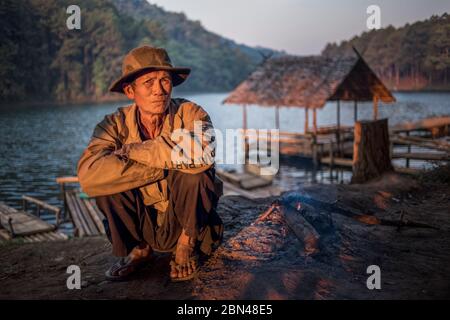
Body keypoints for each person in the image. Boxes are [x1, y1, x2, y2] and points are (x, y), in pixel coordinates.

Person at [77, 45, 223, 282]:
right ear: (129, 91)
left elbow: (204, 152)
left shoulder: (191, 113)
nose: (159, 90)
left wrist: (132, 152)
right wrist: (171, 161)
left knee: (197, 174)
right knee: (106, 185)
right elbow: (89, 175)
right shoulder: (113, 124)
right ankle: (139, 249)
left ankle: (186, 244)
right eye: (148, 83)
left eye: (164, 80)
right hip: (143, 219)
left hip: (186, 218)